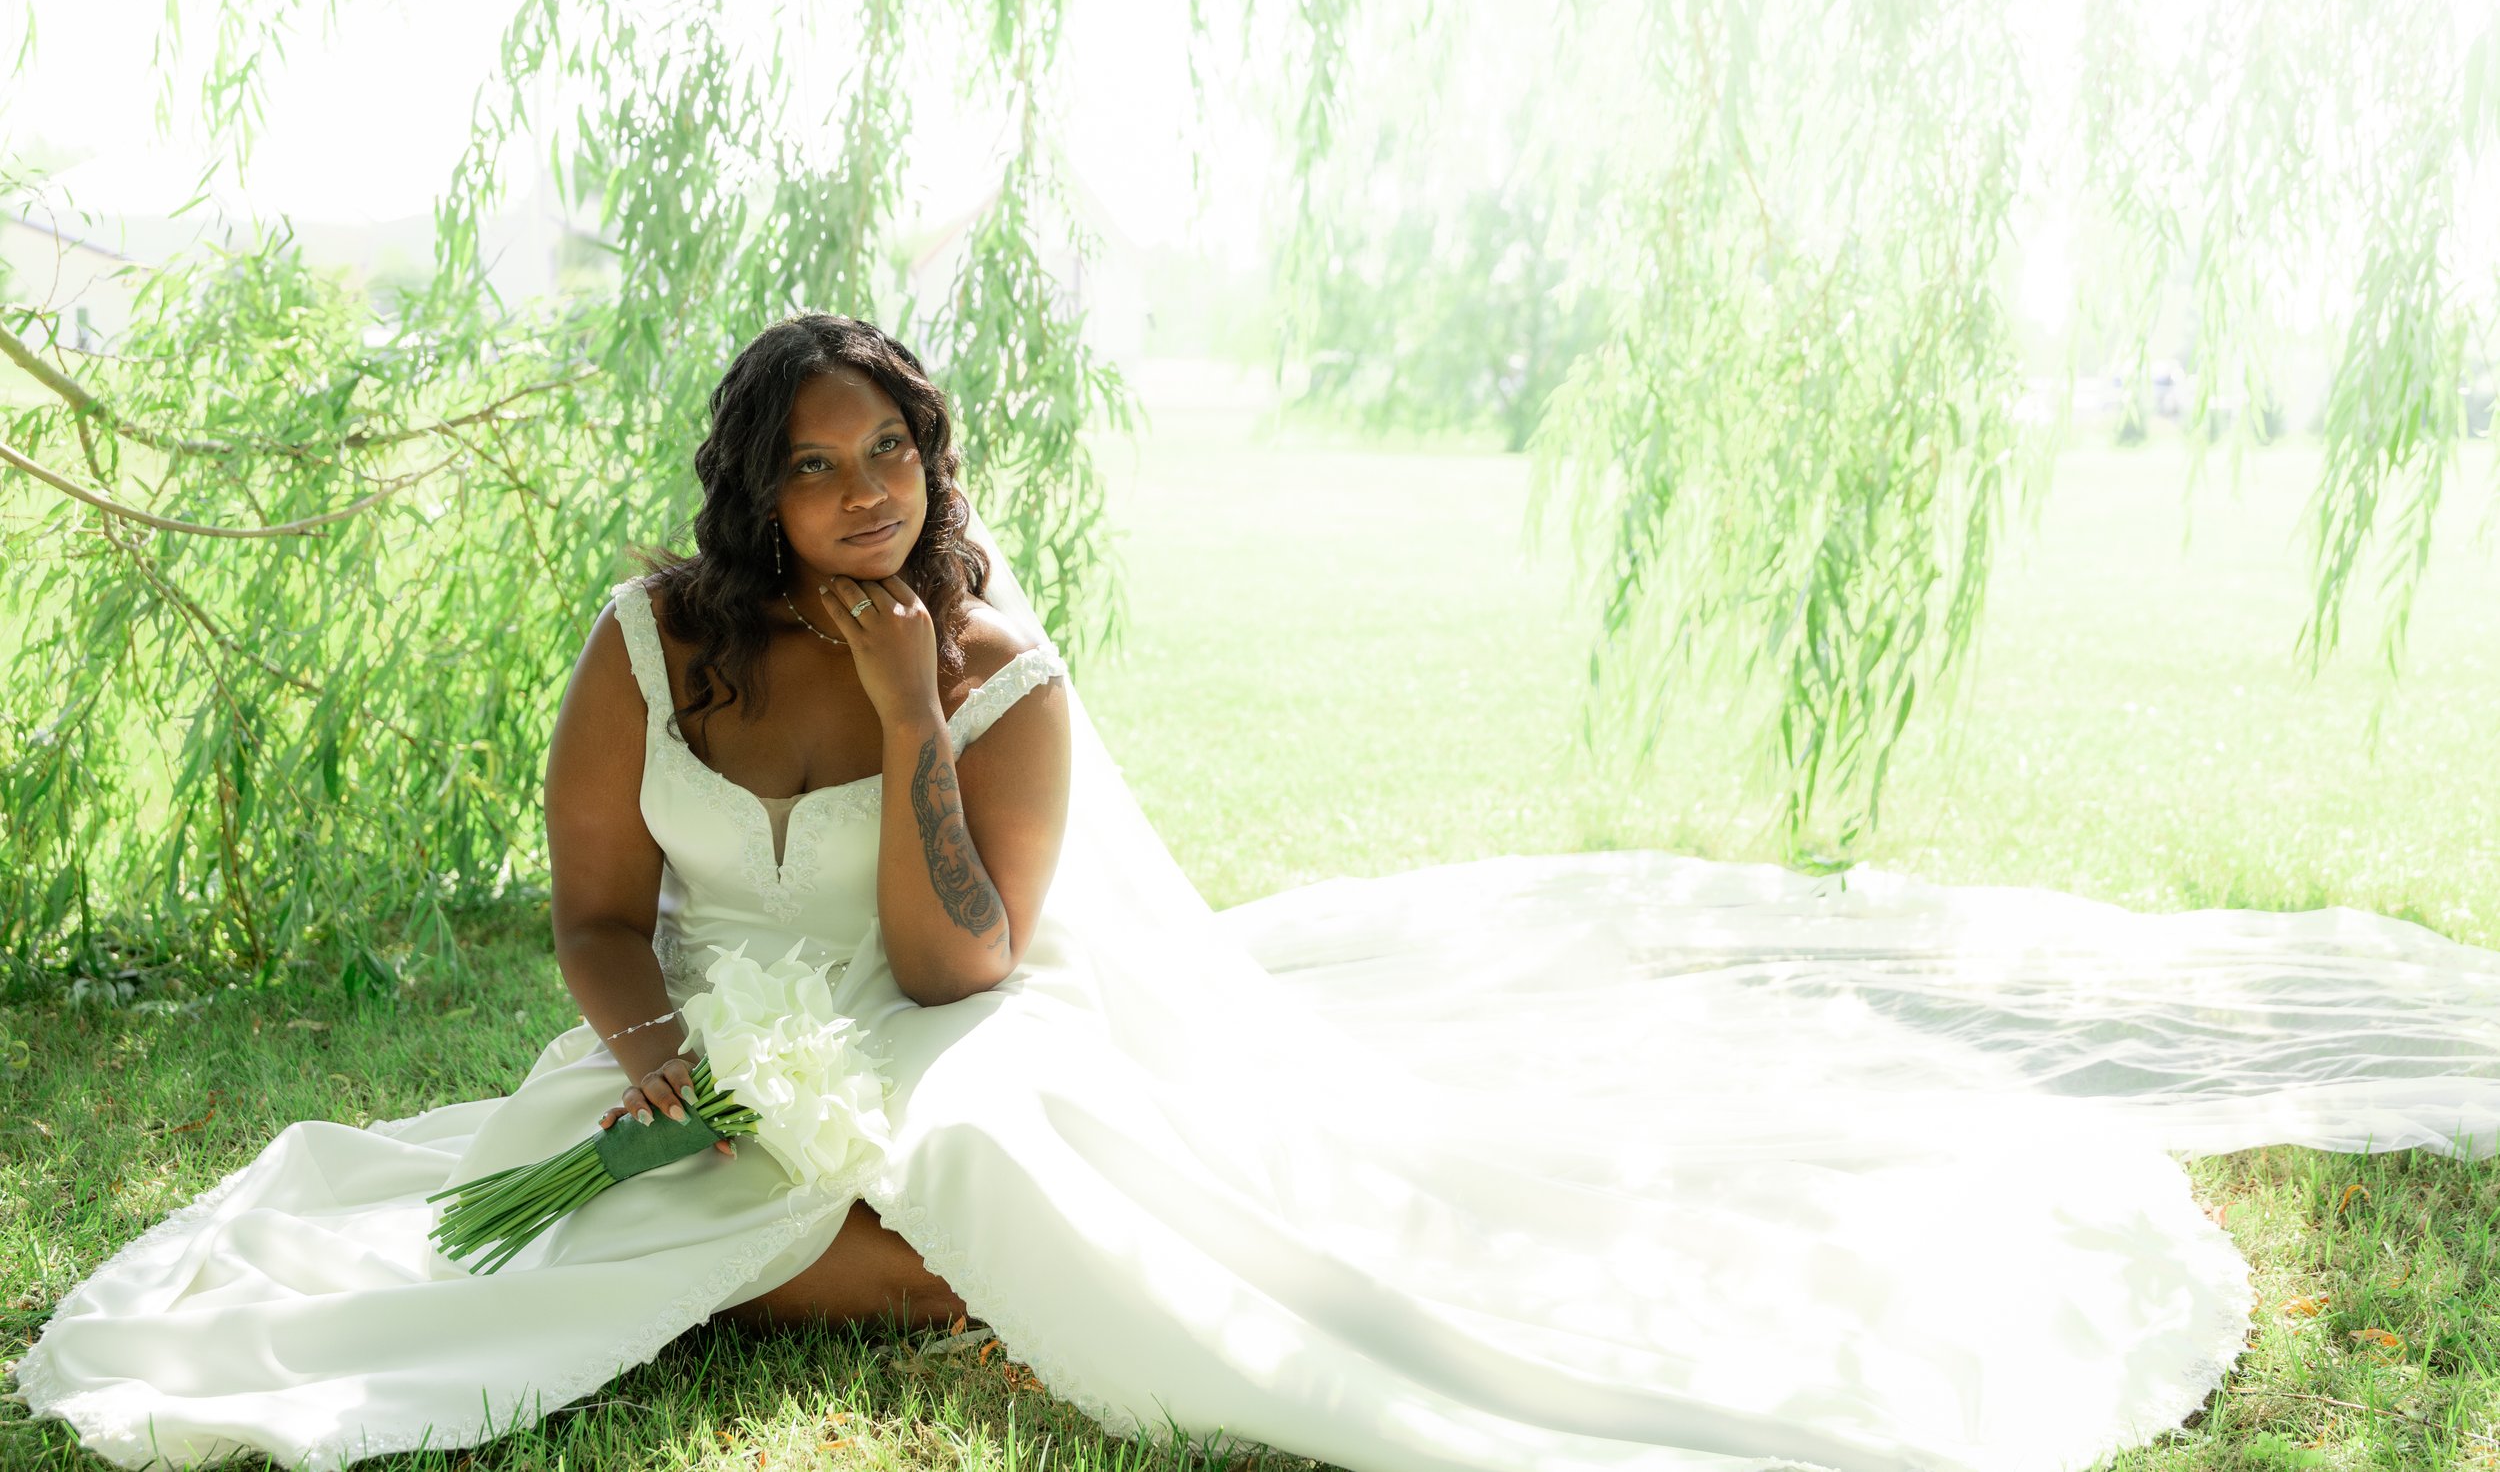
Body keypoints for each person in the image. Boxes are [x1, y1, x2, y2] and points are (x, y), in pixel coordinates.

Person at [17, 313, 2500, 1472]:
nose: (860, 495)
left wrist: (903, 732)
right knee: (583, 1216)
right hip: (698, 1032)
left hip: (958, 1004)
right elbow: (586, 907)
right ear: (748, 491)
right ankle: (911, 1282)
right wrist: (663, 1055)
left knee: (964, 1139)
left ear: (927, 464)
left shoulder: (1003, 669)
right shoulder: (644, 643)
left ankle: (974, 1272)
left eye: (890, 454)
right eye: (811, 467)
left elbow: (951, 960)